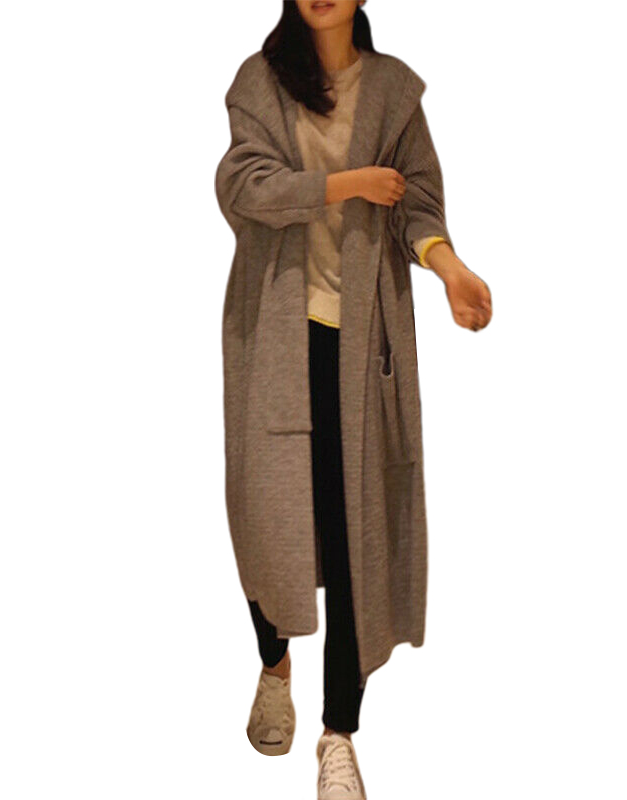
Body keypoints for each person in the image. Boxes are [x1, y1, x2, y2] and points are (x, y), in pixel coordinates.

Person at [215, 2, 492, 797]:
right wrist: (346, 185)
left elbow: (418, 205)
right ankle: (274, 665)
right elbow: (242, 188)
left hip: (362, 343)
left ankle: (338, 733)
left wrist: (450, 269)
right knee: (268, 517)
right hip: (275, 336)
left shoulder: (394, 92)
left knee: (352, 535)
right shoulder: (261, 83)